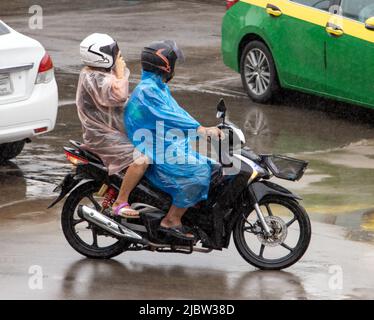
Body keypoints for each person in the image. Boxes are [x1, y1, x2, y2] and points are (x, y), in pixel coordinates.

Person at [125, 40, 223, 240]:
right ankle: (171, 220)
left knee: (213, 167)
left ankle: (193, 213)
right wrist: (200, 129)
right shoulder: (148, 91)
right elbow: (169, 117)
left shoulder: (158, 87)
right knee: (199, 172)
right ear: (164, 66)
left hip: (164, 141)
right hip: (152, 146)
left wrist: (200, 127)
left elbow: (177, 112)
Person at [76, 33, 148, 218]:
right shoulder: (94, 77)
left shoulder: (98, 74)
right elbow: (118, 95)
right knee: (142, 158)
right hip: (102, 136)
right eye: (115, 52)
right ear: (102, 56)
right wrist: (120, 71)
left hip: (110, 130)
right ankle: (120, 202)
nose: (119, 55)